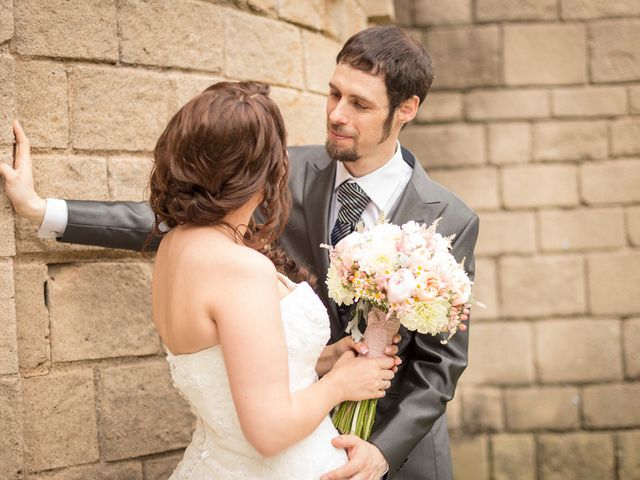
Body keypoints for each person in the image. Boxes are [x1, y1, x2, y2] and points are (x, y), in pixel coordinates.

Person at [2, 26, 479, 480]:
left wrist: (382, 451)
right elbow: (183, 219)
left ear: (406, 108)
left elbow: (440, 366)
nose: (336, 114)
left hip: (397, 454)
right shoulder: (279, 171)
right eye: (334, 94)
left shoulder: (450, 219)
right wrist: (44, 210)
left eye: (359, 104)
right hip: (281, 444)